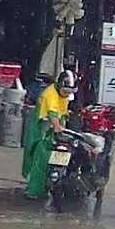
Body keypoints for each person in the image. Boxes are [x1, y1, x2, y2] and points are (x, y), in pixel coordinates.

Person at [22, 69, 76, 199]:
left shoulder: (64, 94)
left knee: (53, 158)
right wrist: (57, 127)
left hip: (54, 126)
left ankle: (47, 185)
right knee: (40, 159)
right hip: (41, 128)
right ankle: (34, 191)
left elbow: (62, 111)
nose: (66, 94)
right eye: (65, 91)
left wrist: (63, 125)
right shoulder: (50, 94)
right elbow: (52, 114)